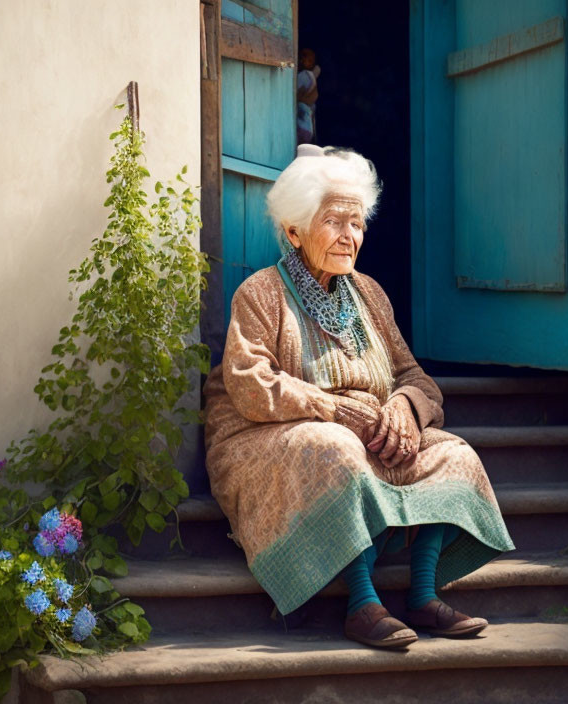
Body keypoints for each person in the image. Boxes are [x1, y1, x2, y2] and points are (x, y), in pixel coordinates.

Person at [203, 144, 515, 649]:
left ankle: (422, 593)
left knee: (453, 453)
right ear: (295, 230)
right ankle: (363, 603)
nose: (350, 237)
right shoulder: (261, 294)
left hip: (369, 428)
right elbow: (249, 383)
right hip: (275, 433)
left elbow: (416, 378)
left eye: (357, 223)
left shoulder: (369, 293)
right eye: (334, 222)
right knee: (337, 450)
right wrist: (332, 408)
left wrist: (404, 409)